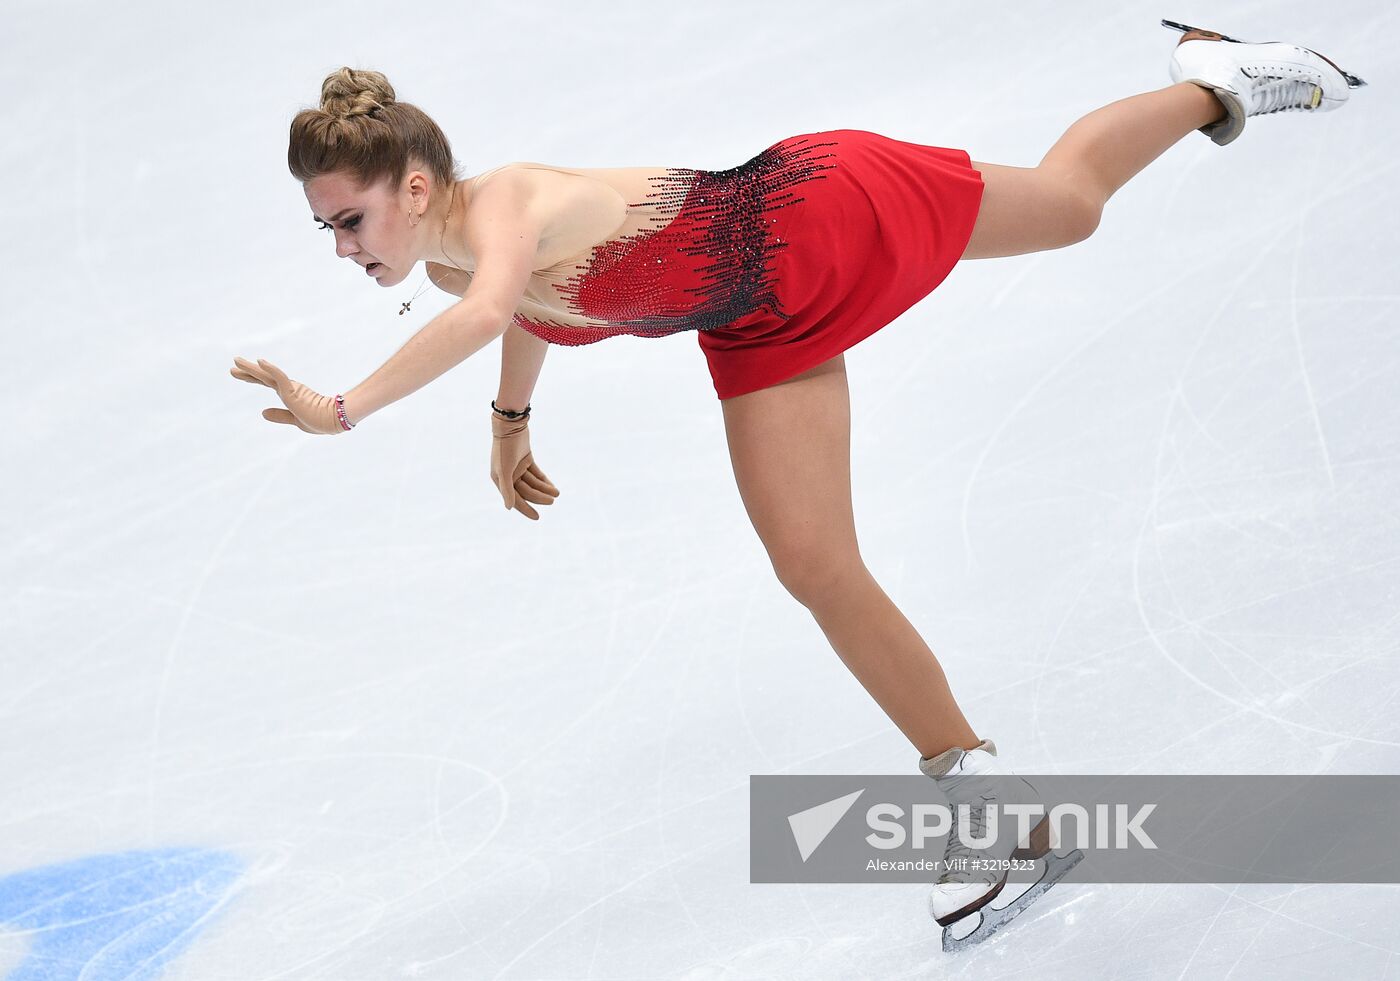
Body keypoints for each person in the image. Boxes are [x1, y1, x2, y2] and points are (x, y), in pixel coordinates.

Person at [231, 20, 1364, 949]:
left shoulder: (510, 200)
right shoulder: (443, 253)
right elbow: (511, 313)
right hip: (753, 319)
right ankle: (993, 812)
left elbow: (492, 305)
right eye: (325, 228)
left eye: (348, 221)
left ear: (416, 185)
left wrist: (344, 408)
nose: (340, 248)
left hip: (816, 212)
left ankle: (1218, 82)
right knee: (813, 564)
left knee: (1066, 206)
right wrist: (509, 421)